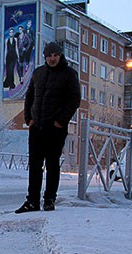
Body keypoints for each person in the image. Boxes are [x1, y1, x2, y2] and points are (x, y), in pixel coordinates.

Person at [15, 42, 81, 213]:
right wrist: (29, 119)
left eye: (55, 55)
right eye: (49, 55)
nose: (52, 58)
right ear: (45, 56)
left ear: (60, 56)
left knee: (52, 164)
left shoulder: (69, 74)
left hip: (55, 128)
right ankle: (32, 202)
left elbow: (74, 100)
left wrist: (61, 121)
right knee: (35, 165)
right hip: (37, 126)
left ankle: (49, 200)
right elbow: (29, 96)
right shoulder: (38, 73)